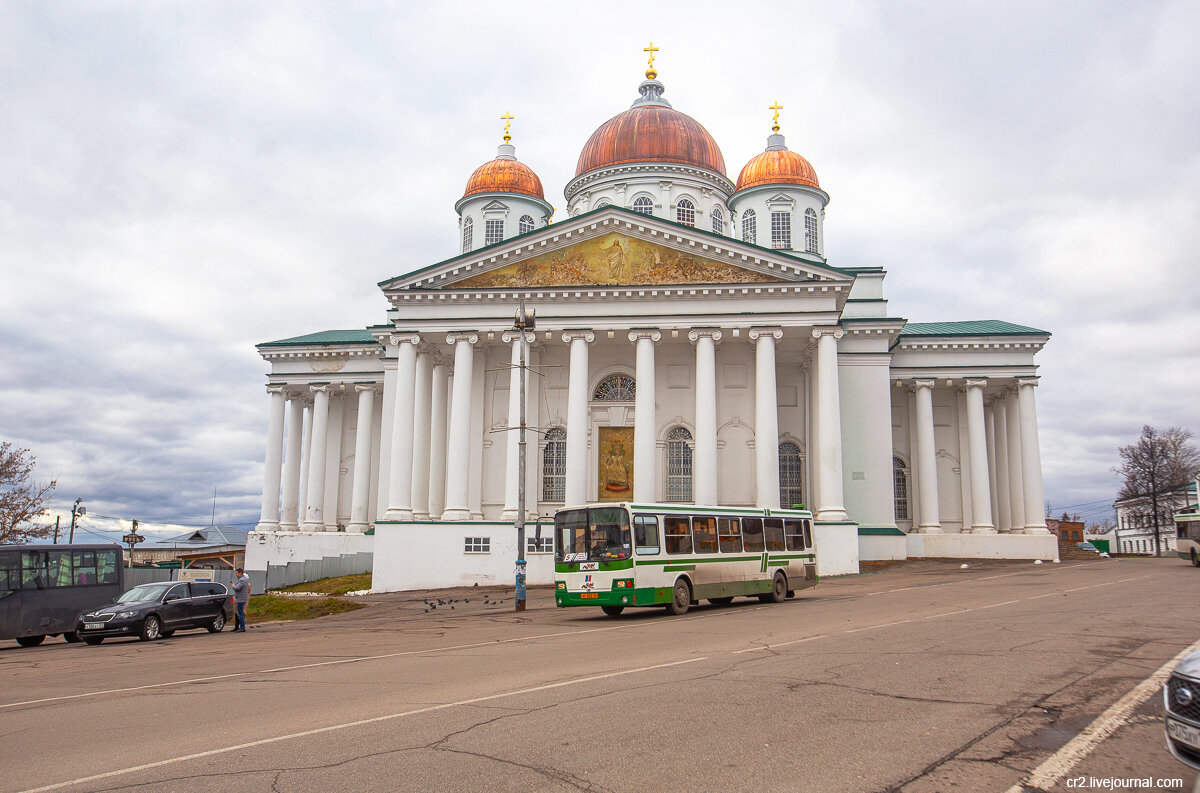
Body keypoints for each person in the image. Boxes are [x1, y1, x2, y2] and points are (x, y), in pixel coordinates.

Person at [231, 568, 250, 632]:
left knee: (240, 614)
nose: (236, 574)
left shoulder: (241, 580)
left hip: (240, 599)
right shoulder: (244, 580)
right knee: (240, 613)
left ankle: (242, 628)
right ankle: (240, 627)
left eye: (237, 573)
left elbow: (237, 588)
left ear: (240, 573)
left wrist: (233, 586)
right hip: (242, 599)